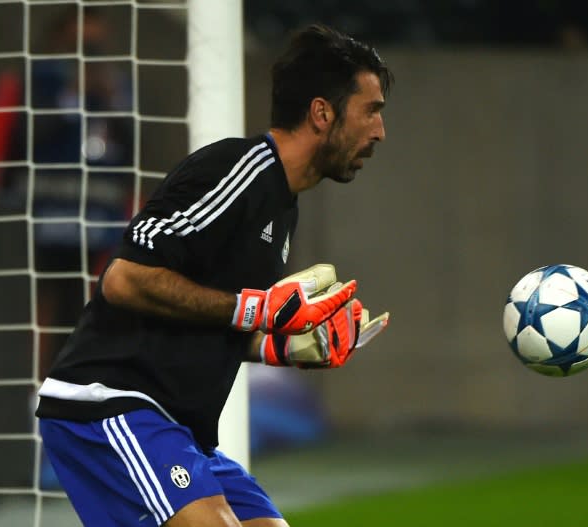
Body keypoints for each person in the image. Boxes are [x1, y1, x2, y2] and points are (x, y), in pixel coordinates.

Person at [35, 23, 393, 527]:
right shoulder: (237, 171)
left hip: (178, 428)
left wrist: (281, 347)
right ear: (322, 113)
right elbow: (125, 279)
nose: (379, 131)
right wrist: (257, 310)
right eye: (371, 111)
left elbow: (210, 315)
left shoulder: (283, 204)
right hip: (110, 403)